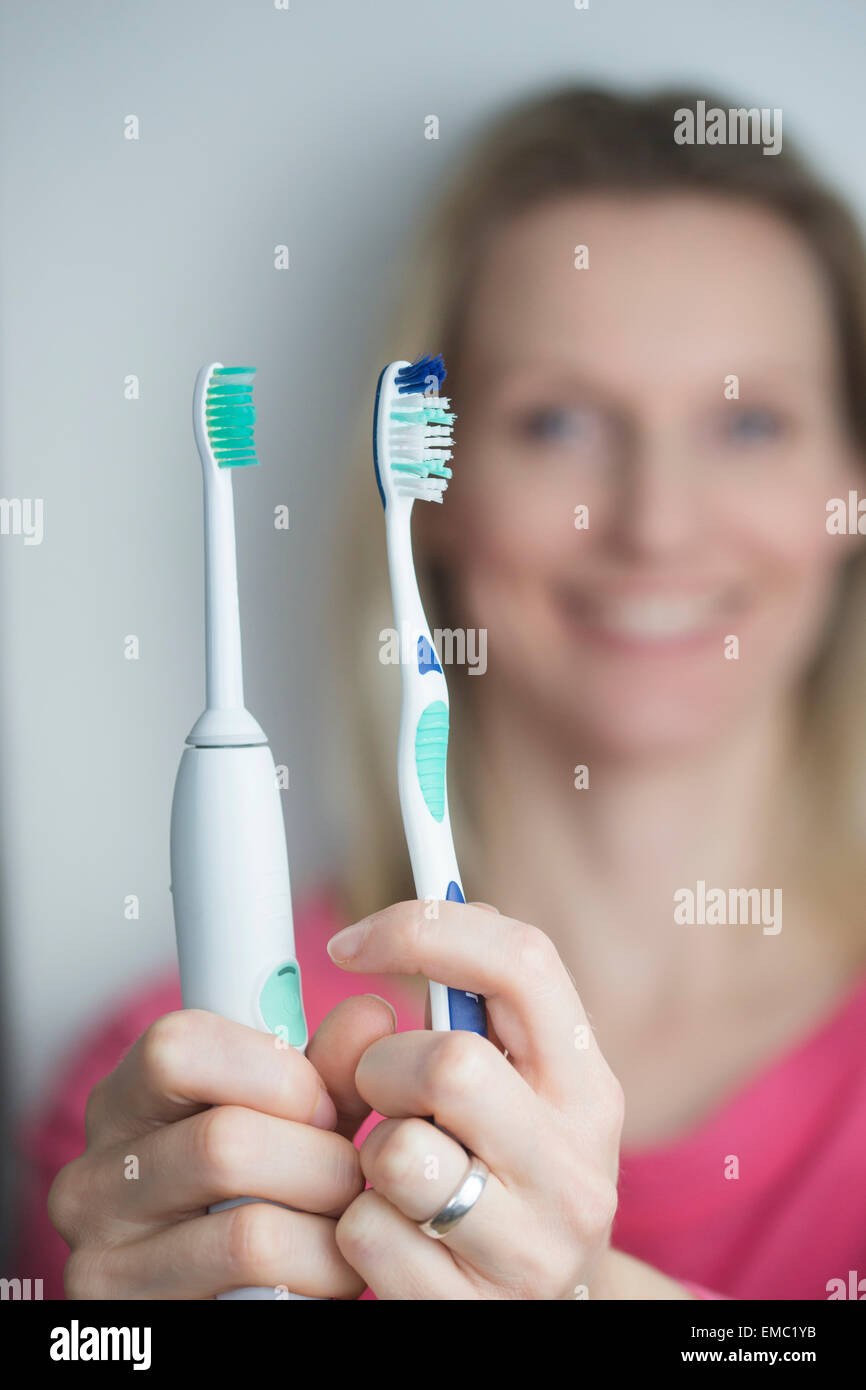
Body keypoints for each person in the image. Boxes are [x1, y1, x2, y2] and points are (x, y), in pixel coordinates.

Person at [17, 86, 866, 1300]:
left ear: (852, 476)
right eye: (556, 420)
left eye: (747, 422)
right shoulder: (185, 1095)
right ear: (442, 488)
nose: (653, 522)